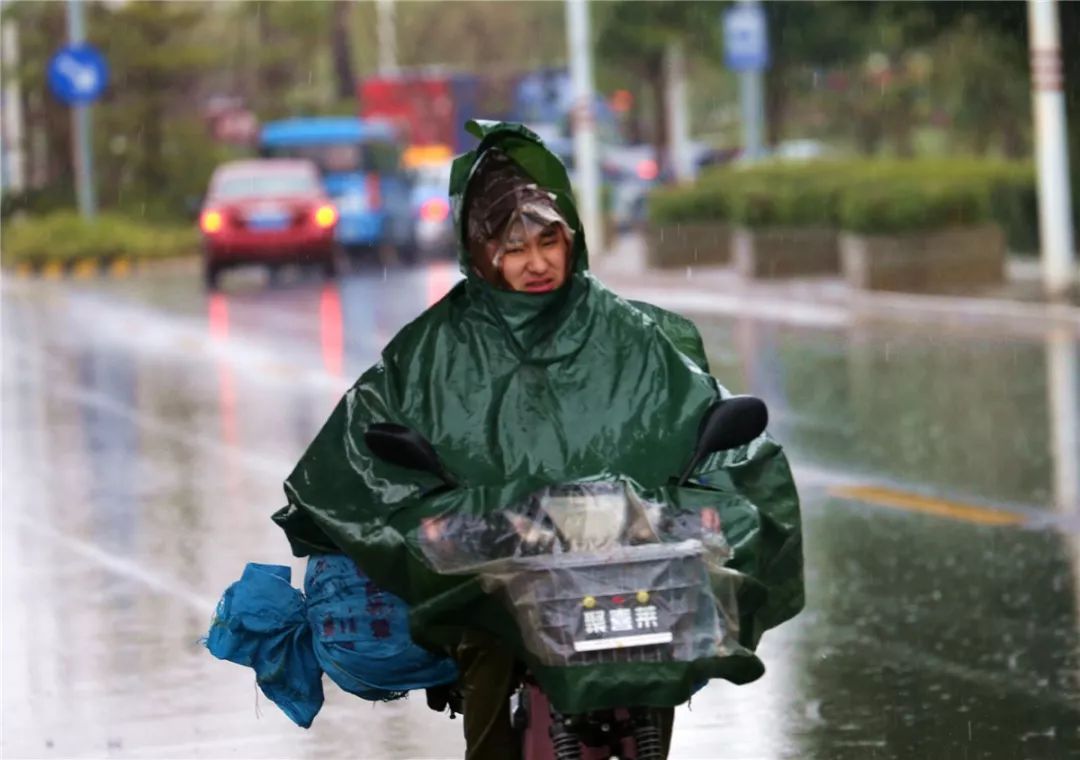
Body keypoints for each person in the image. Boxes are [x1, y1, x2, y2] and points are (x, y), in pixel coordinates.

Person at [272, 121, 803, 760]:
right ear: (482, 250)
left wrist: (701, 482)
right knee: (486, 641)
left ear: (570, 237)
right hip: (501, 556)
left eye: (548, 241)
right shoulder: (435, 347)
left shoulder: (637, 333)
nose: (537, 262)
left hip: (624, 555)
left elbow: (705, 423)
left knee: (671, 618)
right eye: (515, 246)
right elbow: (365, 440)